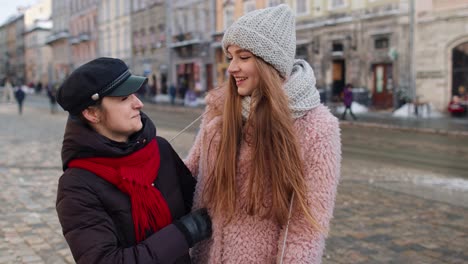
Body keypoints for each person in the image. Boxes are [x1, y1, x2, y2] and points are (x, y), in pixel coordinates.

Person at [184, 5, 341, 263]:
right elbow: (188, 175)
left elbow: (305, 230)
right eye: (231, 56)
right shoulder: (219, 110)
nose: (232, 67)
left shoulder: (317, 127)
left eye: (243, 57)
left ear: (271, 64)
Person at [55, 57, 212, 264]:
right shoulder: (76, 185)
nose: (138, 103)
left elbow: (199, 203)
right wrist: (185, 232)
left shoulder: (159, 149)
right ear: (92, 113)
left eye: (135, 94)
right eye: (124, 98)